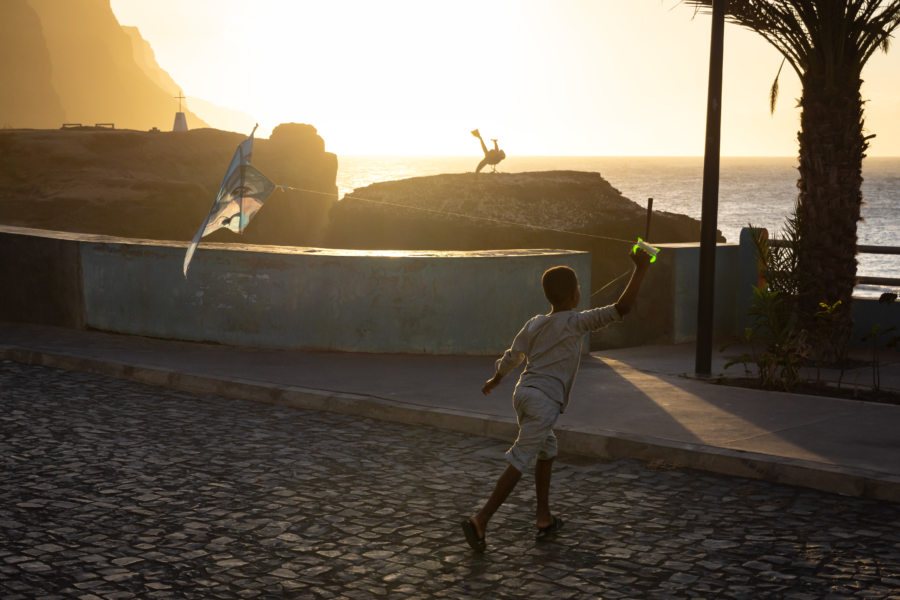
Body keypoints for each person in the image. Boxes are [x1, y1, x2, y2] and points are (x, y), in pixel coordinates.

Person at [461, 251, 651, 552]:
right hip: (543, 401)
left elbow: (513, 356)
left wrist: (496, 379)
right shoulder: (576, 322)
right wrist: (640, 269)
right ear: (575, 295)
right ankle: (481, 519)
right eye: (578, 288)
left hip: (522, 394)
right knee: (521, 458)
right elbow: (622, 308)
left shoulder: (535, 322)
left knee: (547, 450)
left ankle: (543, 517)